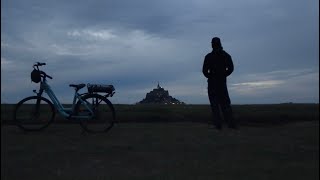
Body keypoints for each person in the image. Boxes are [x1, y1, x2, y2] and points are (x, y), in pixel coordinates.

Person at [202, 37, 237, 130]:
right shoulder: (226, 55)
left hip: (213, 83)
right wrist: (224, 75)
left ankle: (219, 125)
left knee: (215, 105)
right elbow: (231, 68)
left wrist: (210, 76)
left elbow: (204, 71)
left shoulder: (209, 56)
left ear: (212, 44)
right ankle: (230, 125)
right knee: (225, 104)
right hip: (221, 83)